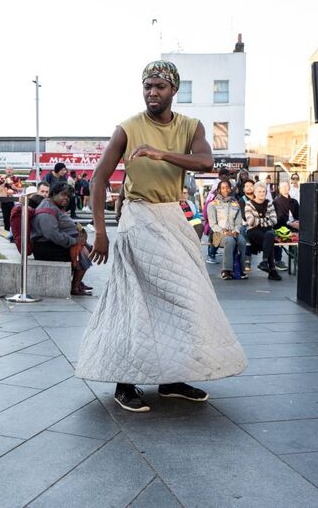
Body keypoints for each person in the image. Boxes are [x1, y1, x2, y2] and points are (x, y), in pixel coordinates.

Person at [76, 60, 247, 413]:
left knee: (186, 298)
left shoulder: (190, 126)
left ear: (173, 90)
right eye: (147, 86)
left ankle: (171, 378)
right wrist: (101, 232)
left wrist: (159, 153)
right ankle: (125, 383)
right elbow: (98, 179)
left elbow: (205, 163)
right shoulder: (127, 128)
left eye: (160, 87)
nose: (152, 92)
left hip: (172, 216)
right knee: (136, 301)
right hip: (138, 219)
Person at [30, 182, 93, 296]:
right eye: (63, 194)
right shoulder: (46, 210)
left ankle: (77, 282)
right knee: (83, 252)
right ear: (53, 194)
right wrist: (74, 241)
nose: (66, 198)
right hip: (46, 247)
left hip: (52, 244)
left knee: (87, 248)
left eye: (68, 196)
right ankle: (74, 287)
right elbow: (52, 234)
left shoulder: (54, 207)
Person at [207, 179, 248, 280]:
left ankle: (241, 270)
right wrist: (224, 232)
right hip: (217, 235)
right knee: (229, 241)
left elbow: (239, 222)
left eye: (227, 187)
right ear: (219, 190)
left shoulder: (235, 204)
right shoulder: (212, 204)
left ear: (230, 189)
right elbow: (213, 224)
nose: (225, 190)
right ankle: (226, 271)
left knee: (242, 241)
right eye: (223, 188)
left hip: (233, 232)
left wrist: (236, 231)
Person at [245, 182, 280, 280]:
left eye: (263, 191)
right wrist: (265, 220)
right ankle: (272, 270)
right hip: (253, 232)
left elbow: (274, 220)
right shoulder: (249, 204)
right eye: (259, 191)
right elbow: (250, 222)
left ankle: (264, 262)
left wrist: (259, 221)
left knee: (270, 235)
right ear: (255, 192)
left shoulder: (269, 203)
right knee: (269, 239)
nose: (261, 193)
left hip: (266, 231)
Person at [272, 181, 299, 271]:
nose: (285, 189)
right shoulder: (276, 202)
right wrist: (290, 223)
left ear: (289, 188)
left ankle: (297, 257)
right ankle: (278, 260)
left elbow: (299, 215)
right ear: (279, 189)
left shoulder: (294, 202)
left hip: (294, 225)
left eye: (286, 186)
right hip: (281, 225)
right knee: (277, 235)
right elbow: (278, 218)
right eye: (282, 187)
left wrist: (298, 223)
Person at [0, 166, 22, 231]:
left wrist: (14, 187)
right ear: (5, 170)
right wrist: (4, 182)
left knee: (13, 215)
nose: (9, 171)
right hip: (4, 198)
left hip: (13, 199)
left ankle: (13, 229)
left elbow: (20, 189)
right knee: (5, 215)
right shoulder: (2, 178)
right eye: (7, 169)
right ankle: (6, 229)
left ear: (12, 171)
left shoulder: (16, 178)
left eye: (10, 169)